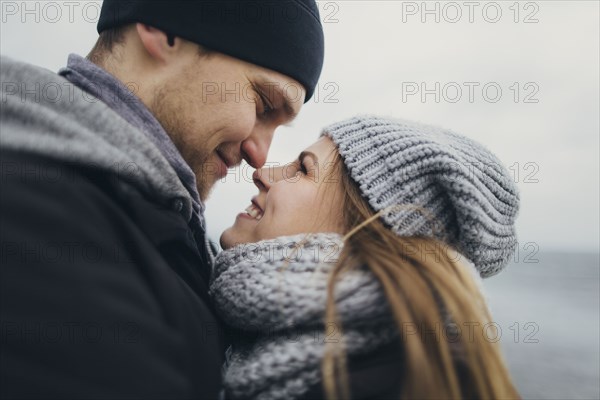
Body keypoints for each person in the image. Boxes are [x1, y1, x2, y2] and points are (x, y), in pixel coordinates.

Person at [0, 1, 323, 398]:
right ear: (162, 30)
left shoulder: (166, 231)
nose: (260, 156)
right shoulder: (38, 219)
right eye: (263, 104)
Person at [211, 116, 521, 399]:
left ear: (362, 231)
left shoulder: (382, 384)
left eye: (304, 170)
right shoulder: (255, 338)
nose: (263, 173)